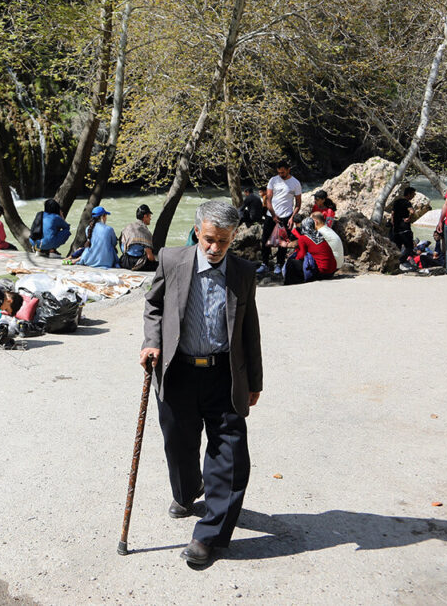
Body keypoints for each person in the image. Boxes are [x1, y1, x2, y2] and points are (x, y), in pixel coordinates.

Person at [140, 200, 262, 568]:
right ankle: (188, 490)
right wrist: (152, 340)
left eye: (223, 241)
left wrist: (254, 380)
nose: (215, 248)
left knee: (231, 453)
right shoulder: (172, 260)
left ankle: (209, 535)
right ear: (197, 232)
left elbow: (250, 330)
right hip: (178, 371)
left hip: (223, 374)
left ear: (233, 237)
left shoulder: (242, 272)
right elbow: (154, 305)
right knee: (179, 443)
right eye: (209, 239)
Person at [258, 161, 302, 275]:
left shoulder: (295, 183)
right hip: (271, 215)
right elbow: (268, 199)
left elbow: (298, 203)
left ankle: (279, 264)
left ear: (288, 169)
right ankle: (265, 264)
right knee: (265, 240)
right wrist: (273, 214)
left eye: (282, 172)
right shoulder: (273, 180)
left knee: (283, 242)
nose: (281, 174)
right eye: (279, 172)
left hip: (286, 215)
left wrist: (292, 217)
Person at [278, 213, 340, 285]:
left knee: (291, 262)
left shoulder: (303, 238)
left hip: (322, 273)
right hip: (331, 272)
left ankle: (289, 283)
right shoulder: (319, 235)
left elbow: (301, 256)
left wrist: (294, 258)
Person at [120, 204, 158, 271]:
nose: (150, 218)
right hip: (136, 263)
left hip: (124, 261)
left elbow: (122, 246)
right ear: (145, 216)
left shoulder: (128, 227)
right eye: (149, 216)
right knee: (157, 265)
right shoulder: (145, 232)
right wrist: (154, 261)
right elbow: (150, 257)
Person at [390, 187, 417, 263]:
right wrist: (409, 218)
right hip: (405, 228)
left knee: (397, 247)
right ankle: (401, 261)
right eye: (413, 194)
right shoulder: (407, 202)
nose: (413, 196)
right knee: (409, 247)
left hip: (396, 229)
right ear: (408, 194)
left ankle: (396, 263)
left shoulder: (396, 202)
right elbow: (412, 212)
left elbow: (392, 213)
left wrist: (393, 222)